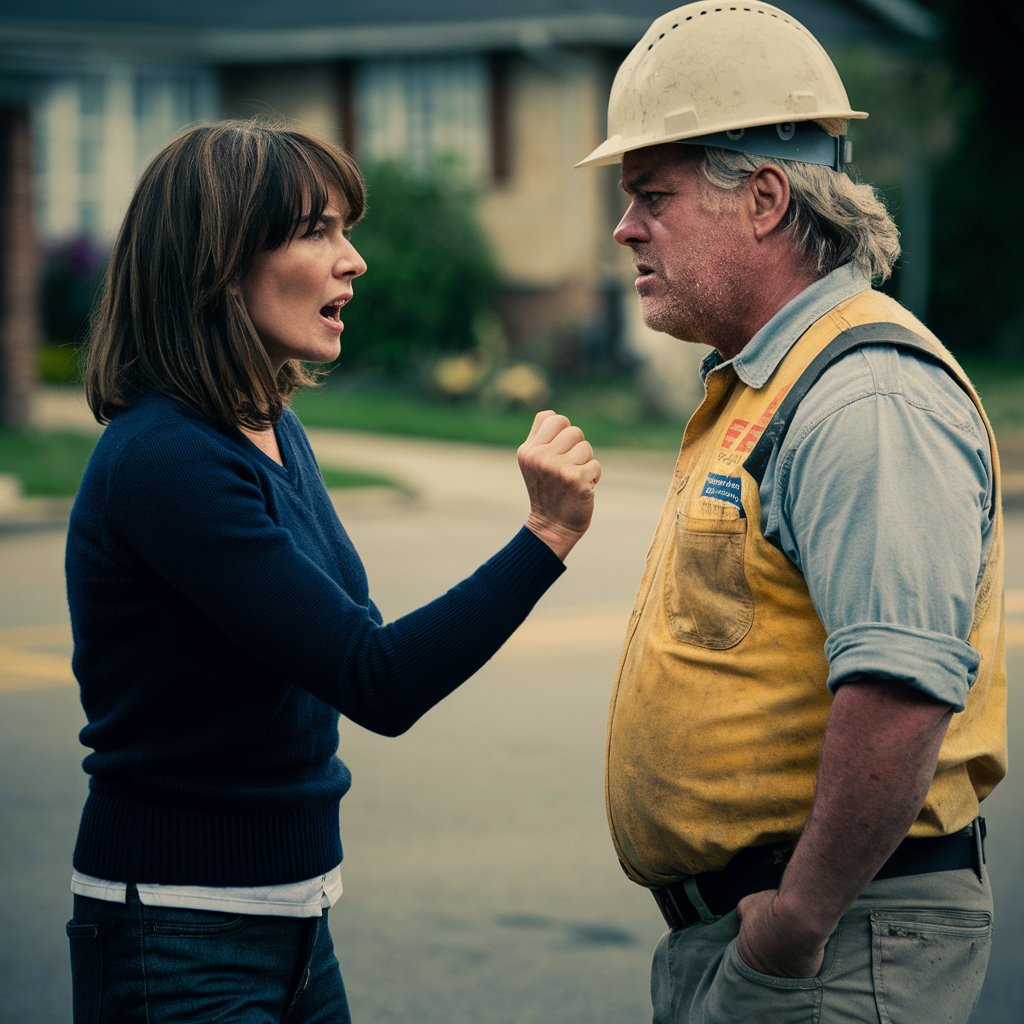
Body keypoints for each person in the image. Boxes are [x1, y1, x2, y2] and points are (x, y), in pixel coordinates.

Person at [63, 119, 601, 1024]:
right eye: (317, 230)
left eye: (345, 229)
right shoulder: (165, 461)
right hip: (179, 936)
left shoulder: (267, 424)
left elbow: (347, 640)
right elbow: (375, 677)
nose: (353, 260)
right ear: (219, 260)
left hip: (297, 923)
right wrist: (544, 536)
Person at [575, 4, 1005, 1022]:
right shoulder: (773, 379)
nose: (625, 227)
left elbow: (899, 696)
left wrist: (792, 924)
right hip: (779, 935)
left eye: (652, 196)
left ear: (763, 198)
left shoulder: (866, 396)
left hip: (829, 943)